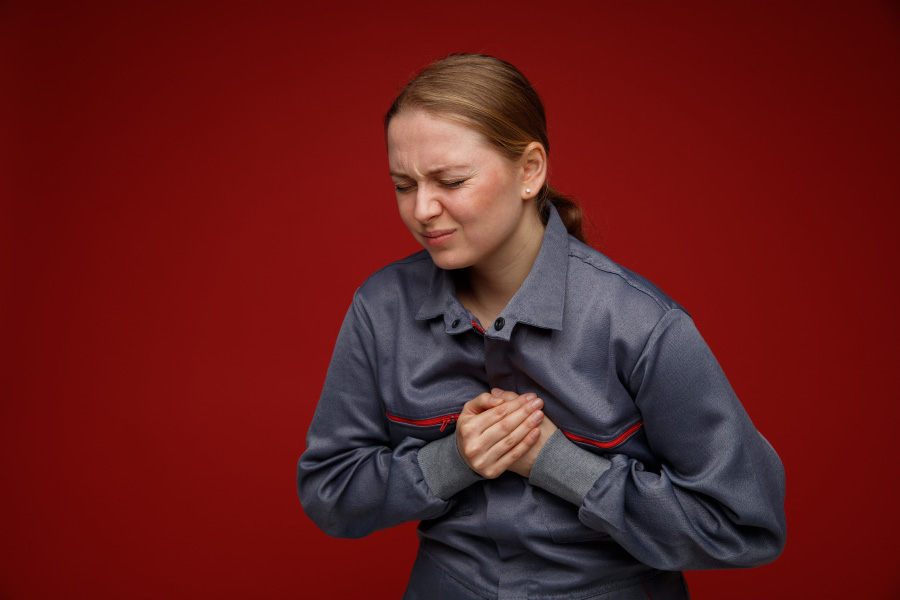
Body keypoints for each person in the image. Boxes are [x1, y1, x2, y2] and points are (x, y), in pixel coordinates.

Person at [297, 53, 786, 599]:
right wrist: (451, 462)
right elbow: (329, 490)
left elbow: (745, 526)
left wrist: (560, 465)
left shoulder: (641, 323)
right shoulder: (379, 308)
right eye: (402, 185)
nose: (422, 209)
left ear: (530, 171)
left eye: (450, 180)